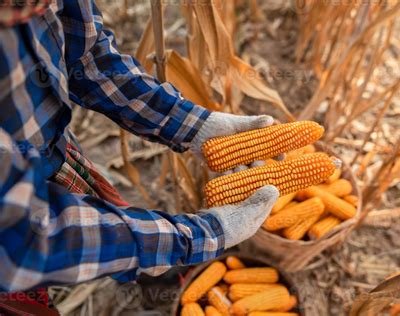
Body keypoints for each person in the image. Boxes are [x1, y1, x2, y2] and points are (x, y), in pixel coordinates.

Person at [0, 0, 279, 311]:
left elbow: (89, 58)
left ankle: (153, 273)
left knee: (122, 230)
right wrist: (195, 238)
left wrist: (193, 126)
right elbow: (23, 242)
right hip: (14, 253)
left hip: (48, 155)